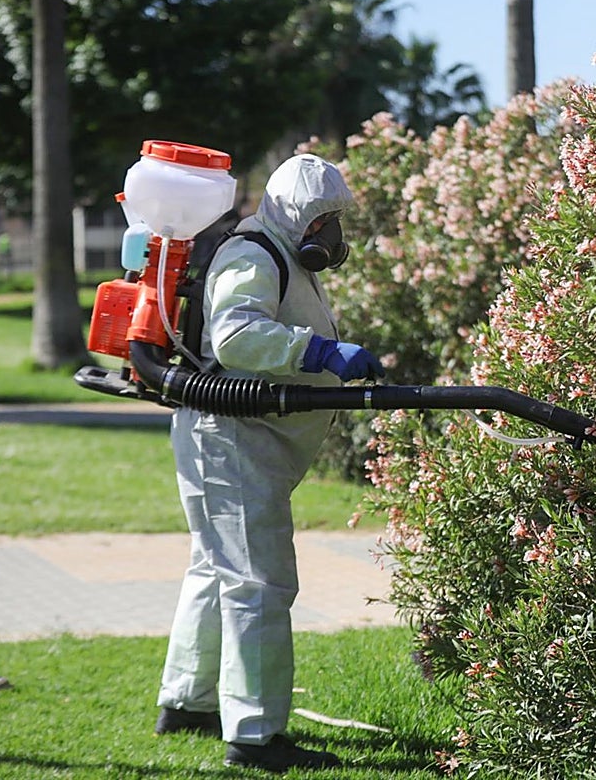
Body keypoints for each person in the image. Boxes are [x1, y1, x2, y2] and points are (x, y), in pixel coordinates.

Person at [154, 154, 384, 772]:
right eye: (321, 218)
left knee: (216, 570)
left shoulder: (281, 254)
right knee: (259, 585)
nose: (329, 234)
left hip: (241, 443)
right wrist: (320, 352)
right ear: (293, 213)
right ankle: (255, 736)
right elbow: (235, 338)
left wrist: (328, 355)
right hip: (232, 441)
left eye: (333, 219)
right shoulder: (253, 255)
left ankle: (186, 701)